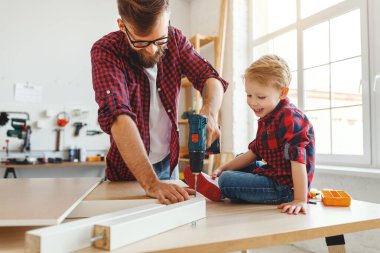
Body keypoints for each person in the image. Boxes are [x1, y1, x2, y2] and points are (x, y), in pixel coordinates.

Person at [91, 0, 228, 205]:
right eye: (141, 42)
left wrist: (209, 111)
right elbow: (118, 116)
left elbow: (210, 78)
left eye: (159, 40)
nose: (152, 51)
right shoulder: (106, 51)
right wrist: (151, 183)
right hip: (129, 171)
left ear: (168, 22)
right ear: (122, 26)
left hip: (168, 164)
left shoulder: (176, 40)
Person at [184, 55, 315, 215]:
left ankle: (221, 186)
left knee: (227, 180)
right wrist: (222, 168)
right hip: (276, 173)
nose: (253, 102)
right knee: (239, 161)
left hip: (286, 188)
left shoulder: (290, 119)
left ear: (283, 92)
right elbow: (254, 153)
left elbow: (298, 161)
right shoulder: (268, 117)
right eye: (249, 95)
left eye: (261, 97)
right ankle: (220, 181)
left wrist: (300, 199)